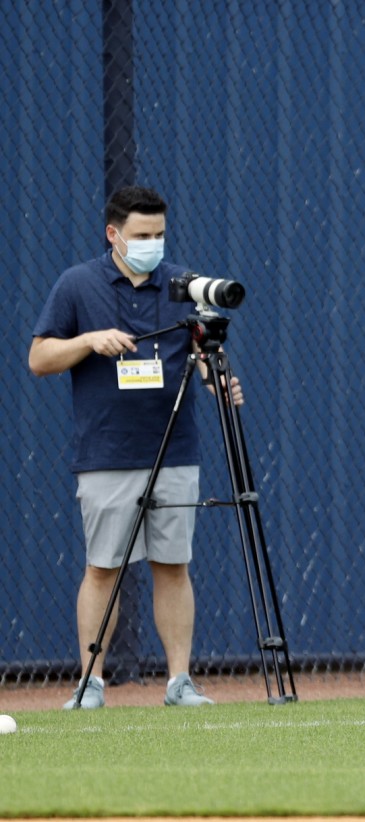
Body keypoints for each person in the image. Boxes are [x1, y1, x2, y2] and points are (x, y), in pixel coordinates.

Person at [29, 185, 243, 709]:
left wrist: (221, 382)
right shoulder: (77, 284)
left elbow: (203, 357)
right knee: (103, 567)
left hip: (173, 451)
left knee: (173, 565)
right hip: (106, 453)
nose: (153, 244)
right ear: (114, 234)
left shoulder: (183, 285)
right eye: (142, 235)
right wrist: (88, 341)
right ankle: (91, 684)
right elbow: (38, 357)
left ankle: (179, 682)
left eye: (160, 234)